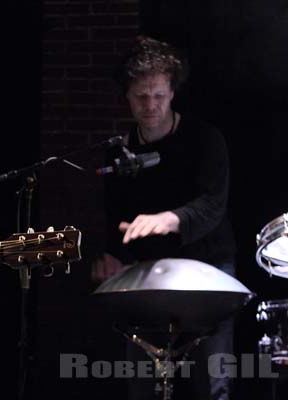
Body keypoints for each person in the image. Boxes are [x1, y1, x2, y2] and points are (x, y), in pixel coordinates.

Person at [92, 36, 237, 400]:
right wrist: (112, 256)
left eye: (158, 95)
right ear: (128, 96)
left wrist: (168, 219)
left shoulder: (205, 140)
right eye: (141, 96)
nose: (150, 105)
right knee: (142, 380)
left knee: (212, 381)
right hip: (150, 271)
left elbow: (212, 206)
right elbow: (116, 219)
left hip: (209, 266)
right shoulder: (119, 152)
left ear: (173, 93)